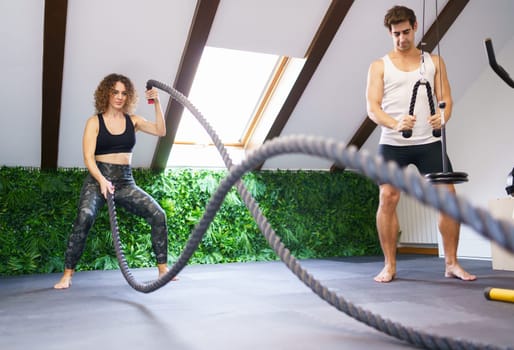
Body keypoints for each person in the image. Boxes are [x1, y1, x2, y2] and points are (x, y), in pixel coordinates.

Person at [366, 5, 476, 283]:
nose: (401, 38)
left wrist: (444, 116)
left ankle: (451, 263)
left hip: (429, 142)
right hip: (393, 144)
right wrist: (394, 123)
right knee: (388, 197)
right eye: (395, 34)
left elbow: (446, 99)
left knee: (448, 200)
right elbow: (372, 108)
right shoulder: (379, 66)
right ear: (389, 34)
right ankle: (389, 265)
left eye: (405, 32)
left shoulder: (434, 62)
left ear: (415, 27)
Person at [54, 73, 173, 289]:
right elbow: (88, 157)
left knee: (158, 213)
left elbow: (161, 130)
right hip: (97, 178)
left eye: (123, 93)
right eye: (115, 92)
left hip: (125, 182)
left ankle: (163, 269)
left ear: (128, 96)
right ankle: (67, 274)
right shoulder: (94, 122)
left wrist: (156, 102)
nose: (119, 97)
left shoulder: (133, 121)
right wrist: (101, 180)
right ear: (106, 93)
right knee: (84, 217)